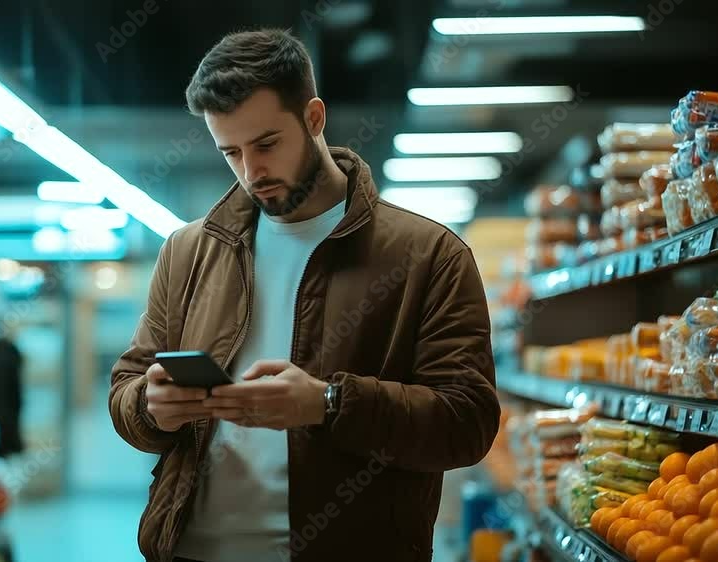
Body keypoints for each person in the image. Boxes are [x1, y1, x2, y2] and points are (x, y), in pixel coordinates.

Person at [110, 28, 500, 562]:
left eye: (267, 144)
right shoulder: (188, 251)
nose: (252, 172)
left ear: (314, 118)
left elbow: (467, 422)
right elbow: (128, 386)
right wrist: (152, 407)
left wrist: (328, 403)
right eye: (231, 153)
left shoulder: (429, 255)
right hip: (193, 550)